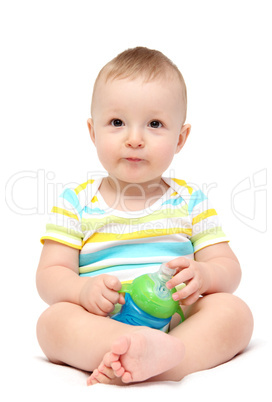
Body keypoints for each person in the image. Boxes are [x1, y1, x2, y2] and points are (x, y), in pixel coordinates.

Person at [36, 47, 254, 386]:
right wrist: (81, 292)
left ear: (180, 138)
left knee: (234, 312)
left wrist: (205, 275)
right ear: (93, 132)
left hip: (177, 318)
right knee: (52, 322)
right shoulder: (75, 202)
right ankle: (124, 349)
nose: (134, 139)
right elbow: (50, 275)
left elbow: (229, 269)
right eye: (117, 122)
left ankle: (166, 357)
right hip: (104, 319)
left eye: (154, 124)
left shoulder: (190, 201)